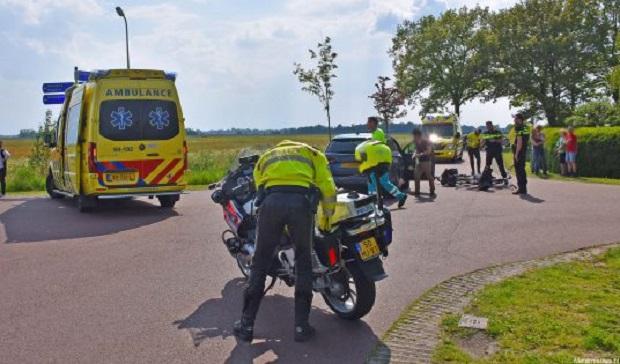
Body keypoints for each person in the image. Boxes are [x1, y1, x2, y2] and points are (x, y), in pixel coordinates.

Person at [234, 140, 337, 343]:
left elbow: (259, 185)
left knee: (260, 264)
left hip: (271, 204)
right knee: (303, 263)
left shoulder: (267, 156)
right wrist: (327, 220)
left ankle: (246, 325)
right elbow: (328, 188)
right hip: (301, 204)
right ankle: (301, 327)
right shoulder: (312, 154)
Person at [355, 139, 408, 207]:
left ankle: (374, 203)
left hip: (373, 163)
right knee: (385, 182)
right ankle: (401, 196)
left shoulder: (365, 149)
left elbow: (362, 162)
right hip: (384, 162)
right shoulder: (376, 146)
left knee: (372, 183)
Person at [412, 129, 435, 197]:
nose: (413, 137)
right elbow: (416, 150)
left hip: (426, 161)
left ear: (418, 135)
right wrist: (414, 154)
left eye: (414, 135)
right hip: (418, 161)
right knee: (416, 176)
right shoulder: (415, 142)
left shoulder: (426, 141)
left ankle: (432, 190)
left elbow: (428, 151)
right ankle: (417, 192)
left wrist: (420, 155)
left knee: (429, 176)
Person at [512, 114, 530, 194]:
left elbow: (519, 142)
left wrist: (516, 154)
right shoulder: (526, 127)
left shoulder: (518, 127)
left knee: (518, 170)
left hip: (519, 151)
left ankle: (521, 188)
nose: (514, 120)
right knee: (522, 170)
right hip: (524, 151)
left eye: (515, 119)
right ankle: (523, 188)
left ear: (519, 119)